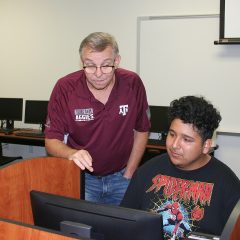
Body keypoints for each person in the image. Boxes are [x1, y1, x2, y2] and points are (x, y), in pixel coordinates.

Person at [44, 32, 150, 205]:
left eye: (106, 65)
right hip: (82, 178)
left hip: (121, 177)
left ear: (117, 61)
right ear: (82, 63)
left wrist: (129, 173)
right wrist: (72, 153)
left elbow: (142, 129)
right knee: (82, 229)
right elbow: (51, 141)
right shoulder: (65, 88)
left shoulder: (132, 83)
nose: (98, 73)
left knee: (121, 229)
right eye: (90, 66)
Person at [121, 95, 240, 240]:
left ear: (206, 145)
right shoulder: (146, 172)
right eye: (172, 134)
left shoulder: (227, 184)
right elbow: (124, 225)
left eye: (186, 139)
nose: (174, 145)